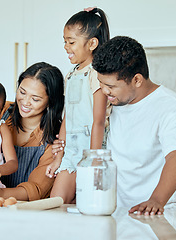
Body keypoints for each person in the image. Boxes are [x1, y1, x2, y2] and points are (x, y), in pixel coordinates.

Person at [92, 36, 176, 215]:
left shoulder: (172, 108)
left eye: (111, 86)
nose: (104, 91)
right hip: (123, 212)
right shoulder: (114, 103)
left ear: (137, 80)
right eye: (100, 83)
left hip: (167, 212)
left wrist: (156, 200)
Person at [45, 7, 112, 204]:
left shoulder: (96, 75)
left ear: (92, 43)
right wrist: (59, 157)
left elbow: (99, 121)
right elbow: (69, 117)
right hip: (71, 154)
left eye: (71, 42)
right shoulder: (71, 74)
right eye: (64, 41)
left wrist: (93, 163)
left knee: (87, 205)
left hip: (92, 152)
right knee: (56, 202)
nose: (66, 47)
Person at [0, 62, 65, 201]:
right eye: (22, 92)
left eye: (35, 99)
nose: (25, 102)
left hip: (25, 212)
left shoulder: (54, 142)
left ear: (50, 102)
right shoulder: (1, 111)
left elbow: (36, 189)